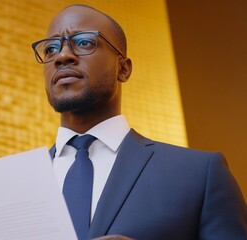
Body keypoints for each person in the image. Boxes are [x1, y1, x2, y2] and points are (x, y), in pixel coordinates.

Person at [31, 4, 247, 240]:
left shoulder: (199, 174)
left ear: (123, 69)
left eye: (84, 43)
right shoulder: (12, 185)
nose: (62, 56)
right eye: (51, 49)